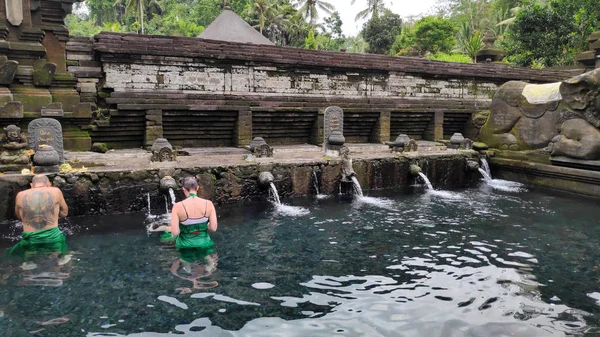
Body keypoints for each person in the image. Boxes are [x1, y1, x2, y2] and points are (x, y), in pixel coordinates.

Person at [7, 174, 69, 266]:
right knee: (63, 258)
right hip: (53, 238)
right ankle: (61, 267)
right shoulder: (56, 191)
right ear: (49, 184)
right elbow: (64, 213)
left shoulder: (20, 195)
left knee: (25, 257)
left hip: (31, 240)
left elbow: (20, 217)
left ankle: (28, 265)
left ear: (31, 185)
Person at [170, 176, 218, 273]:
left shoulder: (178, 206)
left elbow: (175, 232)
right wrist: (205, 226)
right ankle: (209, 265)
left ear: (184, 189)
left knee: (184, 258)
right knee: (205, 254)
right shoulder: (208, 204)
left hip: (185, 243)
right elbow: (213, 228)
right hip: (203, 241)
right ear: (197, 188)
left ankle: (187, 270)